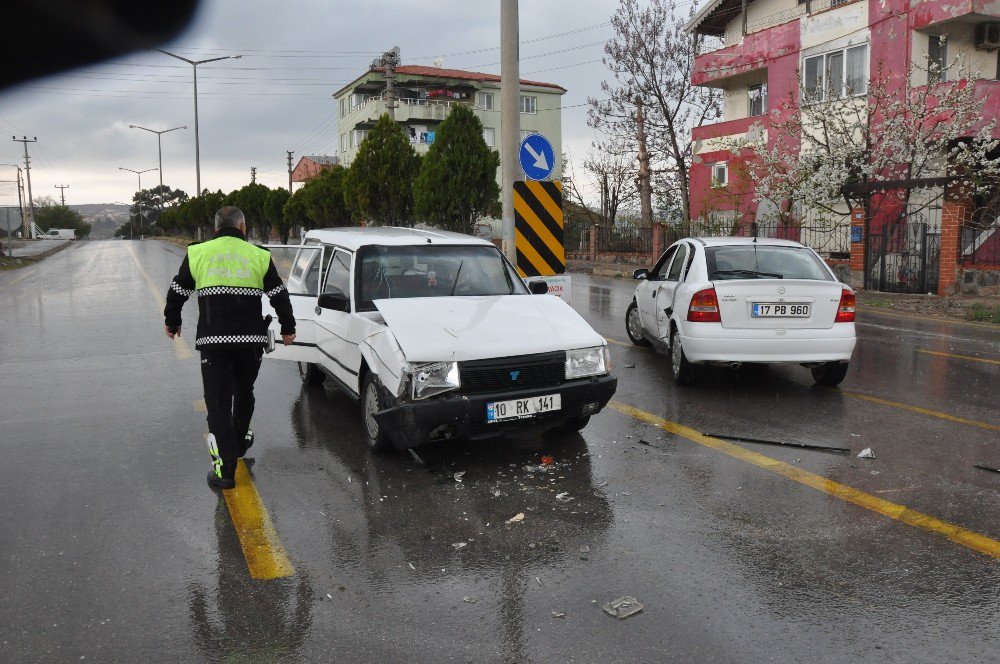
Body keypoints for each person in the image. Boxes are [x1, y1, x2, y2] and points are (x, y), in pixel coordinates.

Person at [163, 206, 296, 489]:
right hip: (251, 343)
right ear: (243, 227)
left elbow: (178, 291)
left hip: (214, 342)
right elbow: (278, 294)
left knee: (218, 403)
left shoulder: (198, 253)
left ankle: (225, 470)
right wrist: (288, 327)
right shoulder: (259, 255)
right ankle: (241, 439)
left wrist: (172, 322)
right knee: (244, 391)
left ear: (215, 229)